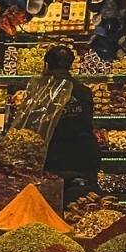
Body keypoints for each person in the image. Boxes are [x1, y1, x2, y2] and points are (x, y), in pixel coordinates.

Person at [42, 44, 100, 202]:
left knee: (49, 207)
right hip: (83, 156)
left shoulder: (41, 92)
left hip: (53, 158)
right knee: (82, 208)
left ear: (46, 65)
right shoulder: (84, 91)